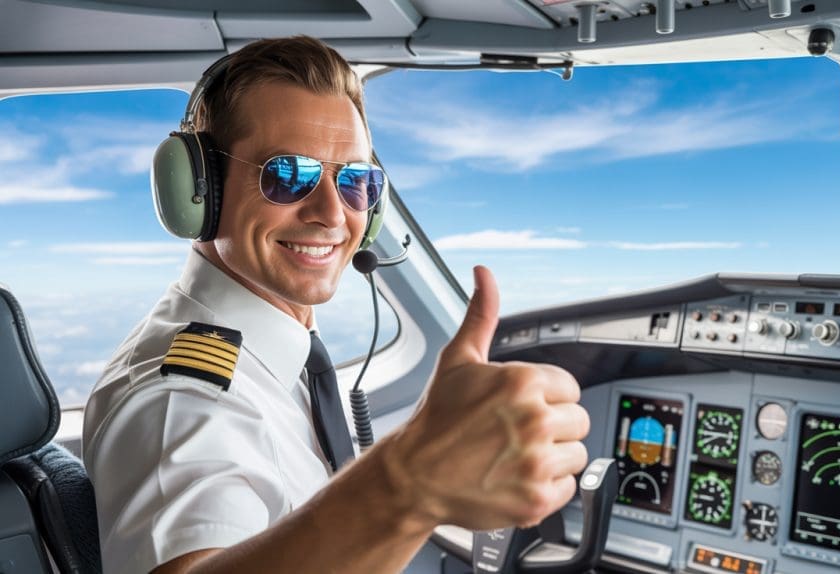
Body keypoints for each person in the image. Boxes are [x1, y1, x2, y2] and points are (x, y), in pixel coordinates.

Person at [82, 36, 590, 574]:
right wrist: (409, 483)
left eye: (354, 180)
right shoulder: (183, 400)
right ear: (201, 189)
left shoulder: (277, 356)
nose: (331, 213)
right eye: (287, 175)